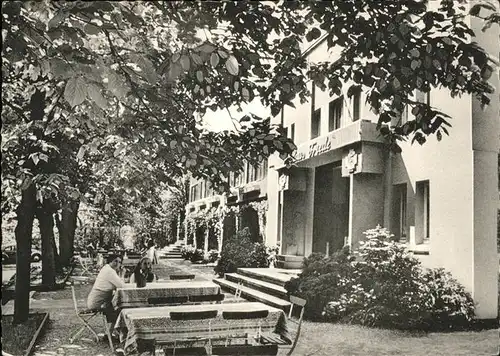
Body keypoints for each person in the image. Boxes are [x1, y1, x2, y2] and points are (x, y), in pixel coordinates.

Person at [87, 254, 125, 330]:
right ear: (110, 261)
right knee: (119, 309)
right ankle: (110, 334)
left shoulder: (107, 269)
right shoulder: (109, 271)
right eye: (115, 261)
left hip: (98, 300)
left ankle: (110, 334)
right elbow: (122, 286)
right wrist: (123, 274)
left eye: (119, 262)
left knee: (117, 306)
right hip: (97, 303)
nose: (117, 264)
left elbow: (118, 285)